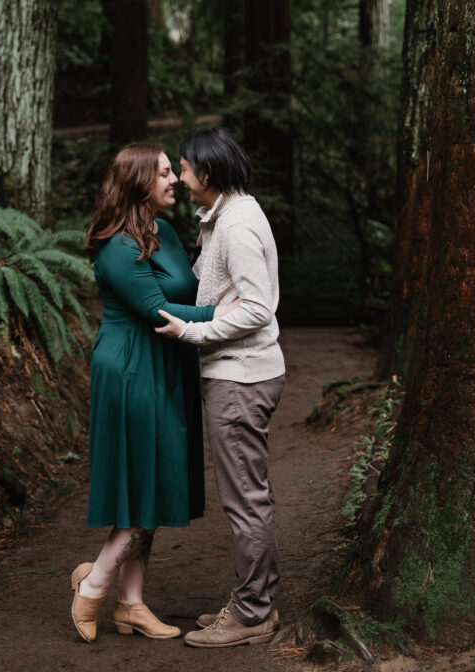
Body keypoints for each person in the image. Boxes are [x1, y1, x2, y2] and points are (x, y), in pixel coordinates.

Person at [71, 143, 239, 643]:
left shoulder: (162, 231)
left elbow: (189, 288)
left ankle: (131, 604)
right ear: (139, 182)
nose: (175, 180)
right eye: (165, 173)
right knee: (140, 486)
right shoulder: (117, 246)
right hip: (131, 369)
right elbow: (156, 309)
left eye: (172, 171)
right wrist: (225, 315)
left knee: (155, 483)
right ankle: (93, 586)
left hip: (166, 364)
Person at [155, 127, 285, 649]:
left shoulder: (237, 226)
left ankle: (252, 613)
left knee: (245, 501)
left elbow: (256, 309)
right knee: (249, 497)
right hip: (237, 374)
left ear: (206, 172)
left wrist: (192, 332)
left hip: (240, 377)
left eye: (184, 168)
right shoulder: (224, 217)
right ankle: (256, 601)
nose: (180, 178)